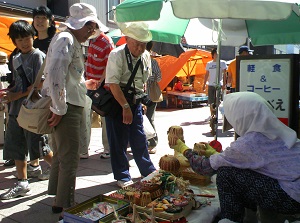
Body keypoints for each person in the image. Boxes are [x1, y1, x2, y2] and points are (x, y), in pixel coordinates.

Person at [170, 92, 300, 223]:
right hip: (293, 186)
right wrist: (216, 154)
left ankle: (230, 219)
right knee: (237, 170)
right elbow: (244, 159)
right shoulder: (274, 130)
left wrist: (183, 148)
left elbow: (205, 168)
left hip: (292, 197)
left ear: (242, 117)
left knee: (225, 174)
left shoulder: (251, 141)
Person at [40, 3, 101, 213]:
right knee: (69, 157)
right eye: (90, 27)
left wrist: (84, 84)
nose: (91, 32)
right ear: (83, 24)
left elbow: (64, 75)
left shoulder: (68, 39)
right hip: (67, 107)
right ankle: (64, 204)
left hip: (67, 104)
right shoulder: (67, 39)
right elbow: (56, 72)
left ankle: (58, 197)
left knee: (61, 154)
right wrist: (58, 108)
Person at [105, 21, 156, 188]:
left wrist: (140, 101)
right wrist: (125, 107)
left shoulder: (146, 56)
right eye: (137, 44)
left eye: (143, 45)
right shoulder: (116, 54)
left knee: (139, 138)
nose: (140, 49)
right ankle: (122, 175)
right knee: (118, 141)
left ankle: (147, 170)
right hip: (117, 101)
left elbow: (143, 81)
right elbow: (113, 84)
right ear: (127, 39)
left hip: (135, 101)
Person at [0, 20, 46, 200]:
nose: (24, 42)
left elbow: (38, 85)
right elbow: (18, 83)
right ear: (14, 41)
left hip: (33, 110)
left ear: (33, 36)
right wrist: (8, 92)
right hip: (15, 110)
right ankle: (22, 182)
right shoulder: (15, 57)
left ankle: (61, 172)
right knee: (16, 145)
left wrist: (15, 96)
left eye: (27, 38)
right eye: (19, 40)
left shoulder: (38, 56)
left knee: (41, 146)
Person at [28, 5, 57, 181]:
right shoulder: (32, 42)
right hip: (35, 93)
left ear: (50, 21)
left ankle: (54, 165)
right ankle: (35, 164)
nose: (39, 21)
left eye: (43, 18)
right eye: (36, 18)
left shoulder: (55, 41)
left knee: (50, 132)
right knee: (37, 128)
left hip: (51, 92)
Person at [85, 25, 114, 159]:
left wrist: (100, 83)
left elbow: (109, 65)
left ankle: (108, 148)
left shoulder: (106, 41)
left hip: (101, 87)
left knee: (105, 117)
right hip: (88, 84)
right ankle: (83, 149)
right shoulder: (91, 41)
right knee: (85, 118)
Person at [145, 41, 162, 154]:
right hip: (144, 93)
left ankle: (152, 142)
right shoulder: (152, 61)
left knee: (148, 118)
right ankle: (148, 142)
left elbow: (158, 77)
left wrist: (147, 78)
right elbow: (159, 77)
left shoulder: (152, 62)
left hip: (147, 93)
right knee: (147, 118)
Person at [202, 48, 227, 120]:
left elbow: (225, 74)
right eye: (215, 54)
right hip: (210, 84)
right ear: (213, 55)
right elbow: (206, 74)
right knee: (211, 101)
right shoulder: (209, 64)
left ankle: (216, 110)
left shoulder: (222, 63)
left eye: (218, 54)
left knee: (218, 100)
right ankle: (212, 115)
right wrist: (204, 84)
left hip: (219, 84)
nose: (217, 55)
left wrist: (224, 85)